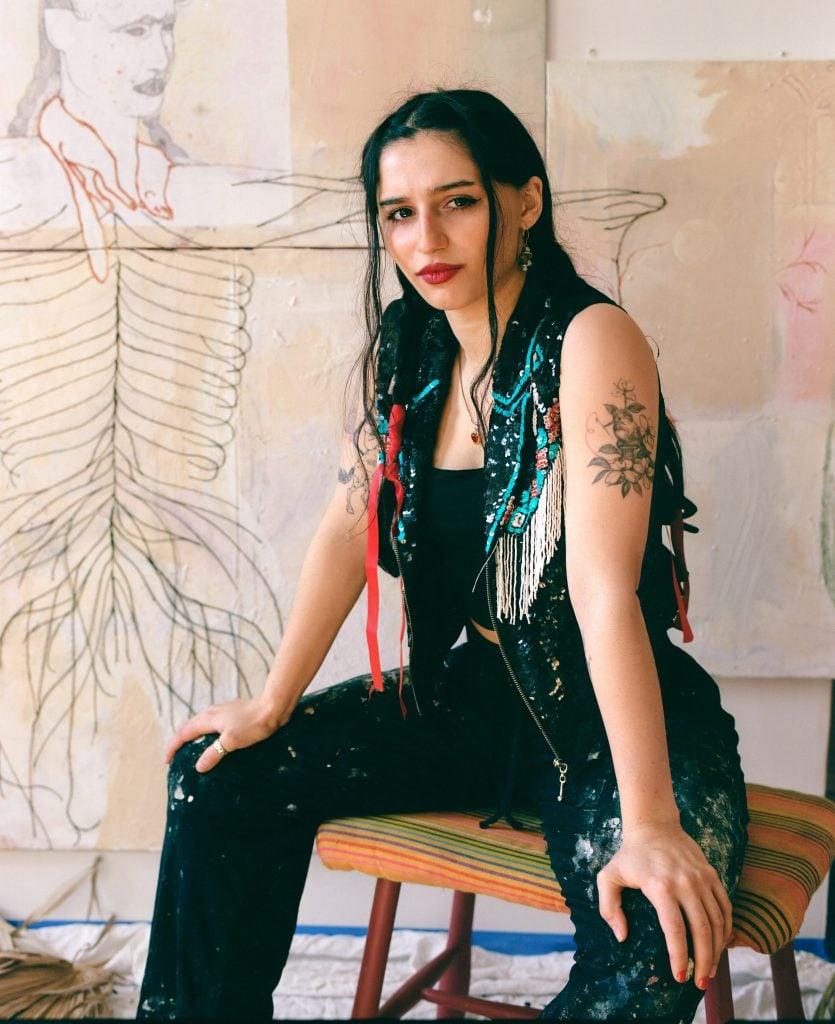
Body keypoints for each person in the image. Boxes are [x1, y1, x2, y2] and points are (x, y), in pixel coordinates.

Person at [137, 88, 748, 1022]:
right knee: (219, 775)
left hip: (610, 719)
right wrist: (272, 700)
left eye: (458, 201)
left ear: (526, 202)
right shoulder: (414, 347)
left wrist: (651, 821)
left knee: (651, 945)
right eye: (399, 213)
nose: (427, 236)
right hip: (468, 704)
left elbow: (599, 588)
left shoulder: (590, 339)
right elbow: (352, 523)